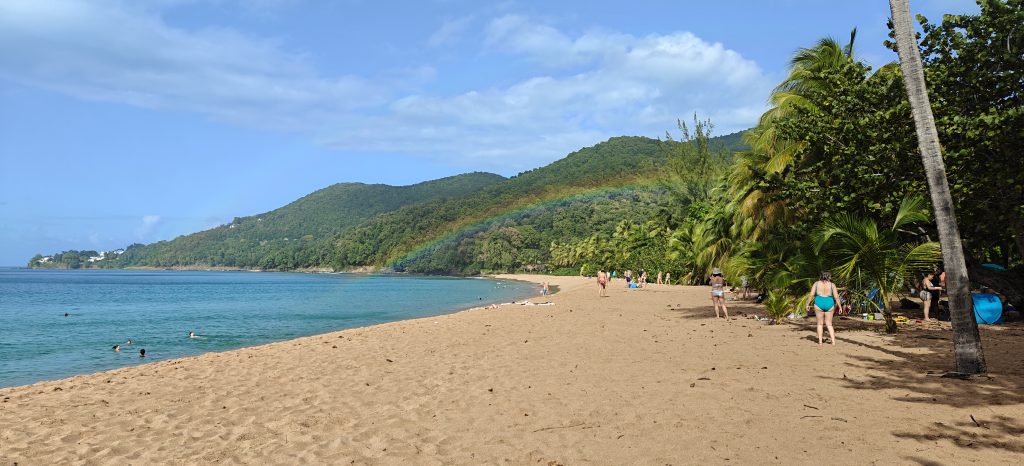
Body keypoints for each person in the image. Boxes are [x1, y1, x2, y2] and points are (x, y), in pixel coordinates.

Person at [808, 271, 842, 346]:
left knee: (820, 324)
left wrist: (807, 304)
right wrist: (840, 307)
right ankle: (833, 342)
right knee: (829, 324)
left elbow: (811, 295)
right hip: (829, 303)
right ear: (829, 277)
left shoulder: (816, 284)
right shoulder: (832, 285)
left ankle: (820, 342)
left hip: (819, 302)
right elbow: (836, 297)